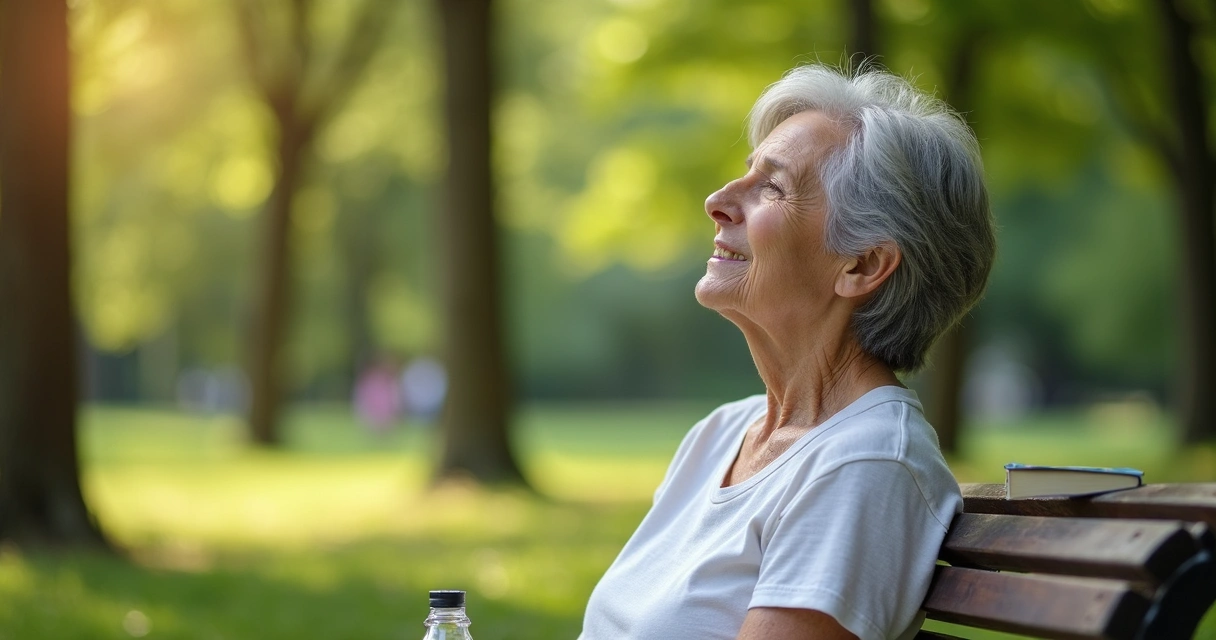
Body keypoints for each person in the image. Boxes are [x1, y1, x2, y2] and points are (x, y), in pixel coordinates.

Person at [579, 63, 996, 640]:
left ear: (862, 265)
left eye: (771, 187)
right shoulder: (722, 434)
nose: (717, 201)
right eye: (745, 174)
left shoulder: (866, 462)